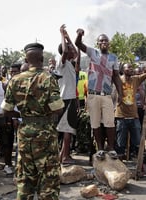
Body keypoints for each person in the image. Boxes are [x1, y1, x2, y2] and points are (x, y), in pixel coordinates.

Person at [1, 42, 64, 199]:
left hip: (24, 132)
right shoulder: (48, 79)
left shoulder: (15, 80)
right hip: (45, 134)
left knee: (25, 177)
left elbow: (6, 110)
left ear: (26, 59)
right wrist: (43, 112)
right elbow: (58, 108)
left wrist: (22, 115)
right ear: (42, 58)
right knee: (48, 178)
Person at [75, 28, 123, 160]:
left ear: (109, 43)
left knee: (109, 123)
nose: (104, 42)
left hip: (106, 95)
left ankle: (111, 148)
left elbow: (116, 77)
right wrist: (79, 35)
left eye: (106, 40)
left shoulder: (114, 58)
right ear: (98, 43)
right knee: (95, 123)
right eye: (101, 40)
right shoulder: (93, 53)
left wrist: (121, 94)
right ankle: (100, 148)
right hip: (92, 94)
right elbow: (78, 44)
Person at [115, 63, 146, 159]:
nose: (131, 69)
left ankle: (140, 164)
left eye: (131, 68)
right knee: (120, 145)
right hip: (121, 116)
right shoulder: (118, 80)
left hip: (134, 116)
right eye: (128, 67)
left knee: (138, 142)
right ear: (123, 70)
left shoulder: (136, 79)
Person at [56, 24, 79, 165]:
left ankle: (64, 155)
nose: (71, 50)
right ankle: (64, 156)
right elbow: (65, 52)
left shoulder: (70, 63)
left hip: (70, 98)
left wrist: (68, 36)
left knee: (68, 129)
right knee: (66, 129)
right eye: (69, 48)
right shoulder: (62, 62)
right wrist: (61, 34)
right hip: (65, 99)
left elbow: (75, 52)